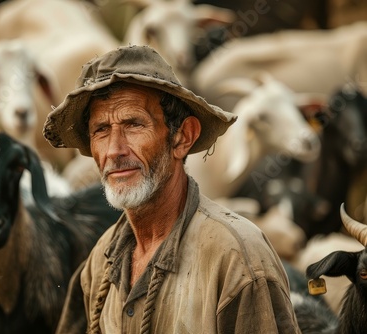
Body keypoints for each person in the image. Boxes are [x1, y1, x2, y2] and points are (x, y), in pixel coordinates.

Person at [43, 45, 300, 333]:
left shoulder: (237, 259)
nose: (114, 150)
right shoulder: (101, 259)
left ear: (182, 138)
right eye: (101, 130)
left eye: (133, 124)